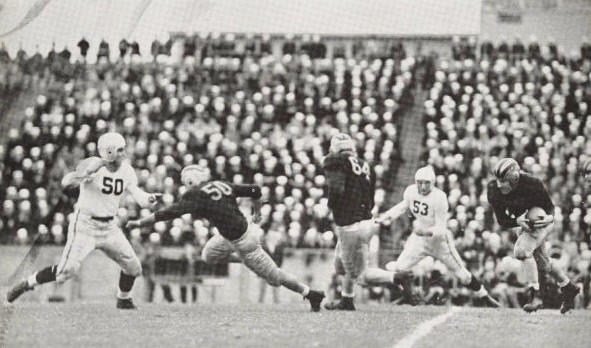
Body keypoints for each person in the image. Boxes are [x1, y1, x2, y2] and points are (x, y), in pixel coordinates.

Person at [126, 165, 326, 311]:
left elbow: (167, 213)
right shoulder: (220, 184)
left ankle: (311, 294)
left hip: (246, 242)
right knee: (207, 255)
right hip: (233, 233)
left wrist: (139, 223)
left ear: (189, 183)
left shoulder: (195, 194)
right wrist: (257, 212)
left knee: (276, 278)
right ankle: (243, 259)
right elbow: (255, 189)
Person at [6, 132, 161, 309]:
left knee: (134, 268)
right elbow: (66, 184)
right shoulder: (93, 165)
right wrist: (86, 173)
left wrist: (148, 198)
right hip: (85, 226)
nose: (124, 153)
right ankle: (27, 283)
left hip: (110, 227)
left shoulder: (127, 170)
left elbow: (135, 191)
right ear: (109, 152)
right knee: (66, 272)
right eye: (120, 150)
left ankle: (123, 299)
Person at [377, 165, 501, 308]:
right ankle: (408, 297)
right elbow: (403, 206)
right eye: (420, 182)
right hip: (419, 239)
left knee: (462, 274)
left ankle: (484, 296)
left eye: (426, 183)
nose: (422, 186)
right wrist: (388, 216)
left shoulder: (439, 197)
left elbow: (441, 228)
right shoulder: (411, 191)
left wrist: (425, 232)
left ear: (433, 183)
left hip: (439, 241)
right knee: (399, 268)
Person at [322, 133, 412, 311]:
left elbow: (337, 188)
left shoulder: (334, 160)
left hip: (350, 227)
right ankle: (347, 300)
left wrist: (332, 206)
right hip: (365, 223)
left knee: (359, 275)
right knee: (341, 265)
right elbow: (370, 197)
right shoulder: (364, 165)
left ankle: (396, 277)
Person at [487, 158, 579, 313]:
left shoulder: (532, 183)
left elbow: (550, 208)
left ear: (514, 178)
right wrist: (516, 221)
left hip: (539, 221)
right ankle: (568, 287)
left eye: (504, 181)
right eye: (498, 180)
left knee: (522, 251)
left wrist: (550, 218)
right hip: (523, 223)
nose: (499, 184)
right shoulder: (493, 189)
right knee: (543, 263)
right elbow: (502, 220)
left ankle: (536, 295)